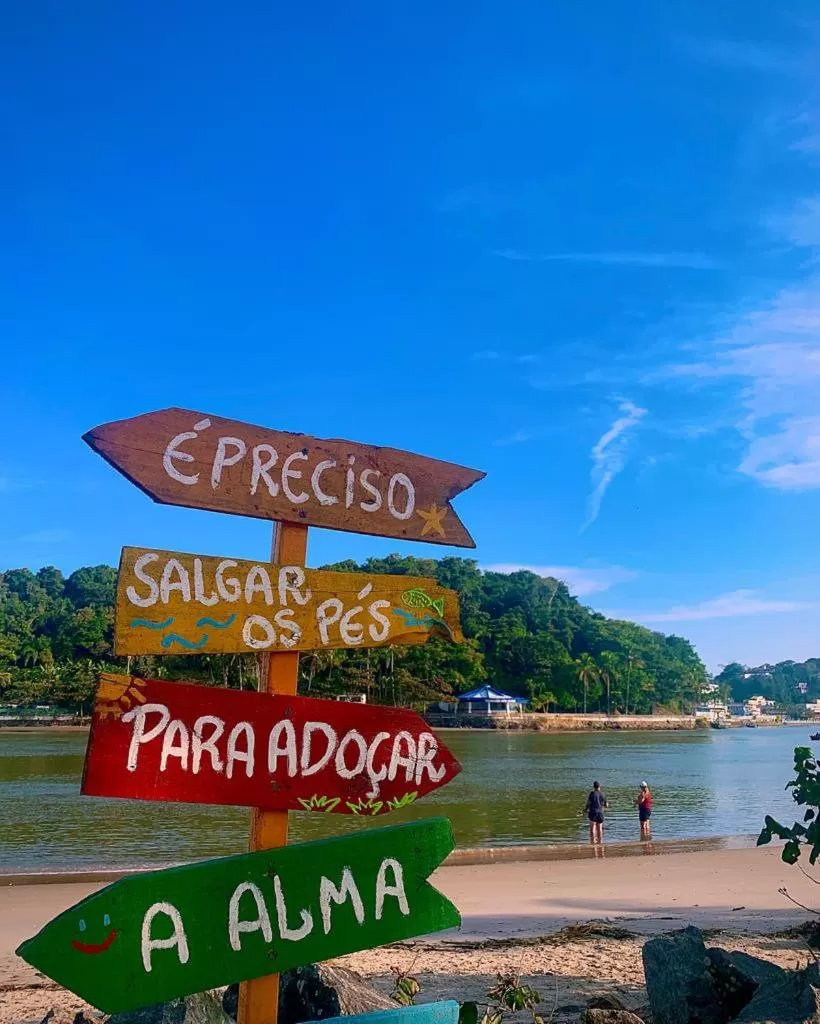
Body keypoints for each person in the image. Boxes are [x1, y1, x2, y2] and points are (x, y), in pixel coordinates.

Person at [584, 780, 609, 845]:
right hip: (600, 812)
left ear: (594, 787)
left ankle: (592, 842)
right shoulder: (603, 794)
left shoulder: (592, 793)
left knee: (592, 827)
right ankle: (600, 842)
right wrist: (603, 806)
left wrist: (585, 809)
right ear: (599, 786)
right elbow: (606, 805)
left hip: (593, 812)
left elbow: (588, 803)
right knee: (600, 827)